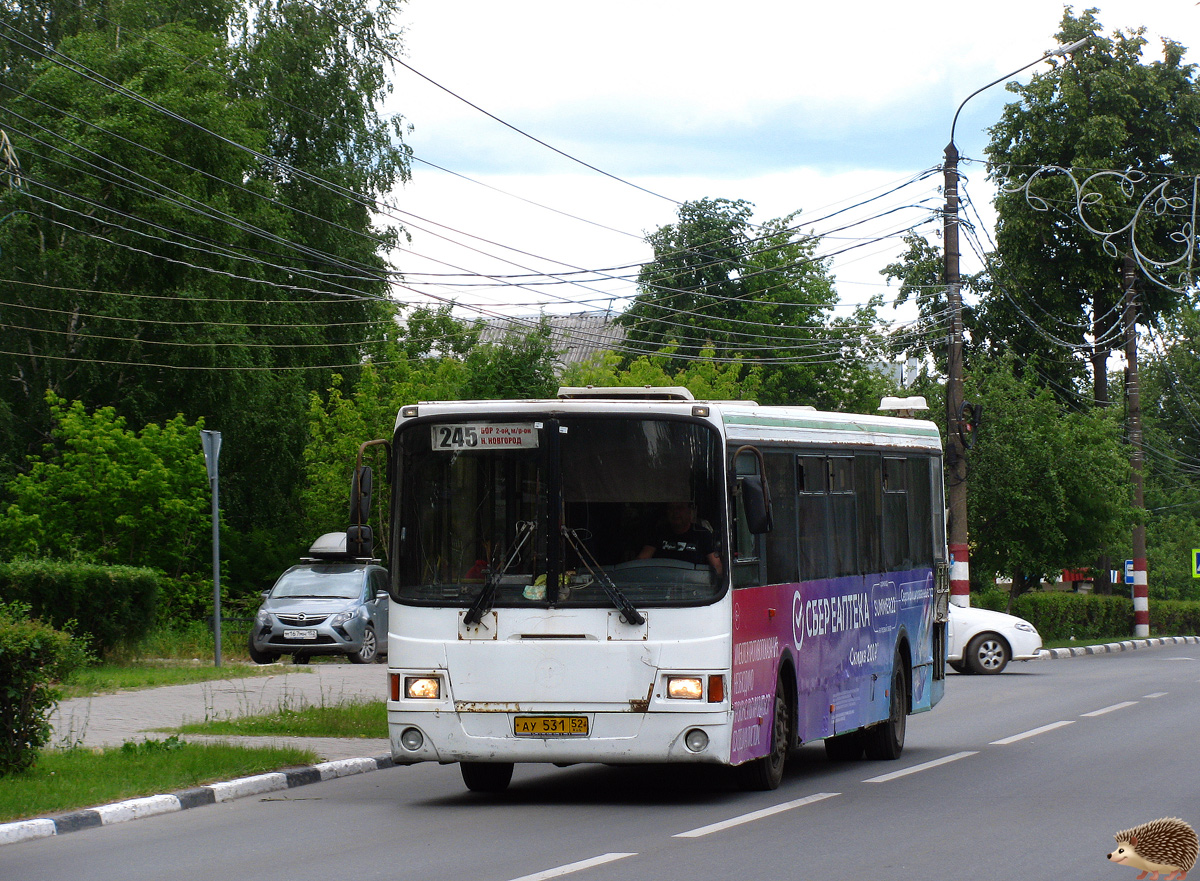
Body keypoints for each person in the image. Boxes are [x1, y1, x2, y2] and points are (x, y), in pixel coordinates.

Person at [637, 501, 723, 574]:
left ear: (690, 512)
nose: (675, 512)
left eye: (680, 508)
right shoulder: (659, 532)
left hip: (693, 584)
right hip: (663, 582)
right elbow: (642, 560)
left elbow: (717, 566)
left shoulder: (703, 534)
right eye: (671, 508)